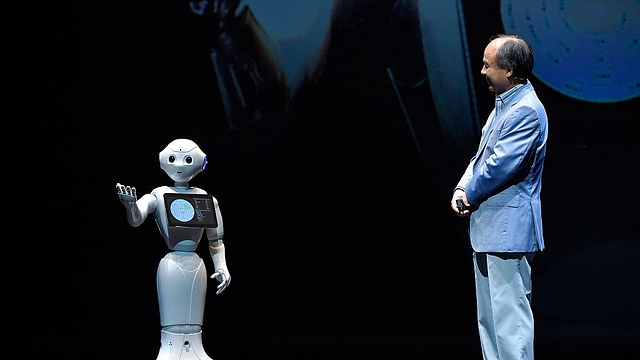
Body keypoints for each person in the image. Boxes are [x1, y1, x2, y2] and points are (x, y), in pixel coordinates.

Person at [451, 34, 548, 360]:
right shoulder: (503, 107)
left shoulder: (525, 111)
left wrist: (471, 195)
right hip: (489, 229)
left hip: (508, 231)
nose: (481, 71)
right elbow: (480, 159)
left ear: (509, 70)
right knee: (490, 322)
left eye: (487, 65)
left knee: (510, 324)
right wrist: (462, 188)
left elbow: (498, 167)